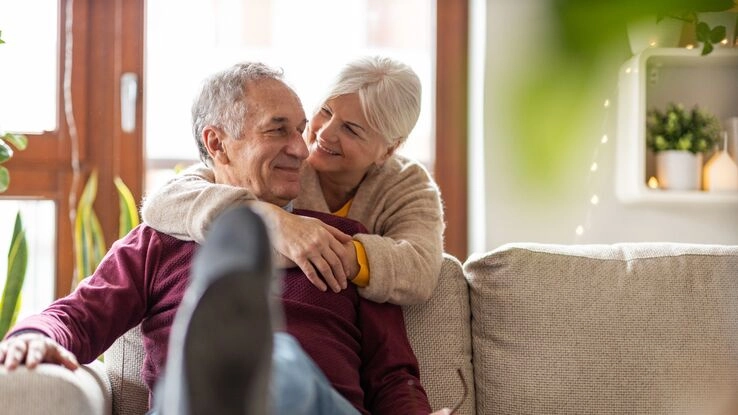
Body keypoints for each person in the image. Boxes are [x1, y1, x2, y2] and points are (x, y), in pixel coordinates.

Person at [0, 62, 448, 414]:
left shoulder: (343, 242)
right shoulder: (161, 239)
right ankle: (225, 369)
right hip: (187, 406)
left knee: (278, 363)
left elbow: (392, 376)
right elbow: (77, 317)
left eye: (299, 127)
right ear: (217, 144)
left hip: (314, 404)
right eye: (279, 130)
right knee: (256, 367)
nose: (303, 147)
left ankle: (241, 361)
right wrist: (33, 337)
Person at [141, 56, 444, 306]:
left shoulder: (407, 185)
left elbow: (419, 269)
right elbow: (167, 200)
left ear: (389, 149)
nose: (323, 134)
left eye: (351, 129)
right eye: (325, 111)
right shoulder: (285, 157)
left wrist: (324, 250)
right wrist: (270, 219)